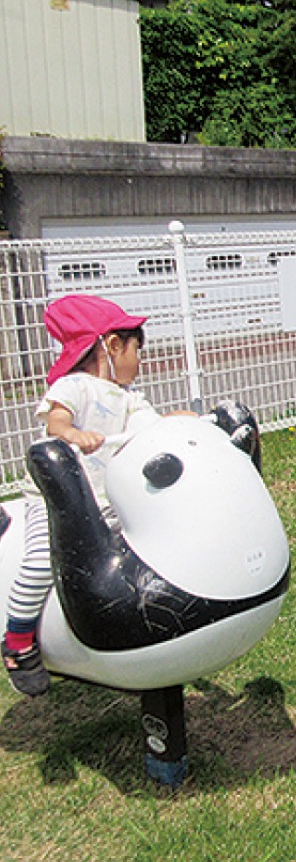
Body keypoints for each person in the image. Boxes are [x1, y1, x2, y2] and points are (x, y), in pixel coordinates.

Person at [3, 294, 164, 696]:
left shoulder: (129, 398)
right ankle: (17, 640)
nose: (139, 361)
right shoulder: (74, 385)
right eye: (135, 350)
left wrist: (189, 423)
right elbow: (57, 418)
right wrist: (74, 434)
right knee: (43, 560)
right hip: (57, 500)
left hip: (104, 501)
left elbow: (153, 425)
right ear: (111, 345)